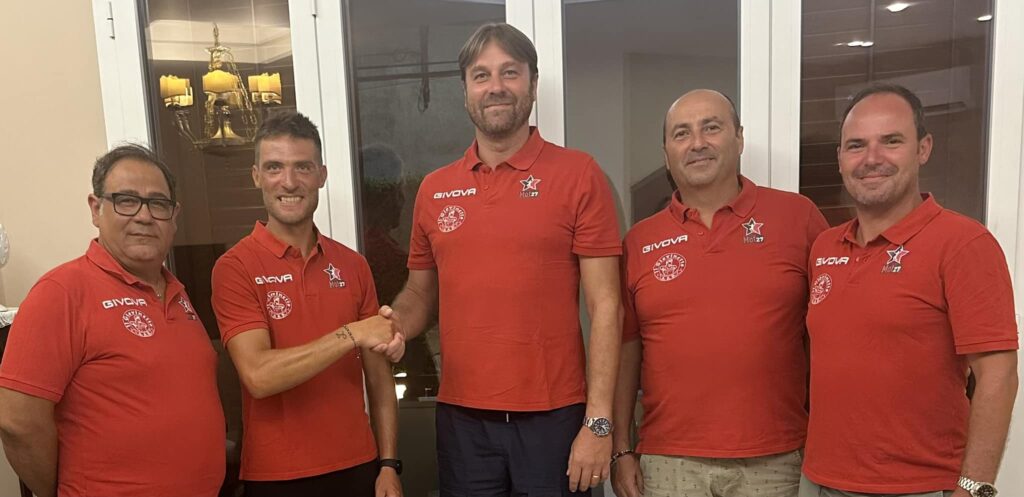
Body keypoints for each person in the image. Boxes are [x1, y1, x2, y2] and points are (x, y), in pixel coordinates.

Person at [381, 22, 623, 496]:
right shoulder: (434, 189)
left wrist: (598, 424)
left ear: (532, 84)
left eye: (510, 72)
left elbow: (607, 307)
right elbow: (420, 294)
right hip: (462, 421)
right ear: (465, 90)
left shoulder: (579, 174)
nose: (496, 86)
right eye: (481, 75)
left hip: (555, 418)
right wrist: (394, 325)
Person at [801, 83, 1019, 497]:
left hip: (921, 486)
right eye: (856, 145)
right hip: (820, 480)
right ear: (840, 159)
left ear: (923, 148)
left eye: (891, 141)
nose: (872, 158)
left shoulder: (963, 243)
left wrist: (973, 488)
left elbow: (999, 377)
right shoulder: (825, 247)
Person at [611, 89, 828, 497]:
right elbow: (626, 350)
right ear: (666, 153)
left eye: (711, 128)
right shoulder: (639, 241)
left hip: (778, 458)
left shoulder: (798, 218)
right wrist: (621, 449)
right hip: (669, 462)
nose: (697, 143)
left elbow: (829, 334)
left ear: (739, 138)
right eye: (682, 133)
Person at [0, 144, 225, 497]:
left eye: (158, 203)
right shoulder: (61, 292)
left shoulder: (177, 293)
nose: (144, 216)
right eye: (126, 200)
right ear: (96, 208)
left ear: (174, 216)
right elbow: (16, 421)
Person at [211, 111, 402, 497]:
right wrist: (351, 334)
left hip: (359, 466)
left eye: (302, 167)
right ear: (256, 176)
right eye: (274, 167)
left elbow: (379, 380)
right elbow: (259, 377)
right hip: (276, 476)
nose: (289, 181)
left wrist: (388, 464)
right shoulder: (235, 268)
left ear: (321, 175)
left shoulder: (353, 265)